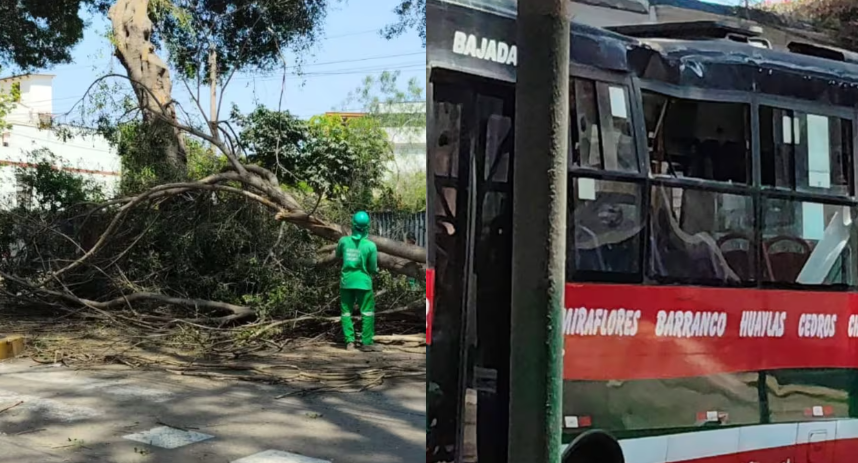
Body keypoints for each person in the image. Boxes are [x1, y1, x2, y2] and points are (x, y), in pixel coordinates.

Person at [336, 211, 380, 352]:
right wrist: (375, 270)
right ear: (367, 226)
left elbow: (337, 255)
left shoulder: (343, 241)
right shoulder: (371, 246)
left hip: (346, 282)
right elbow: (373, 268)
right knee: (367, 313)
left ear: (352, 224)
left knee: (346, 312)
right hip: (364, 283)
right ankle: (367, 343)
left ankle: (350, 342)